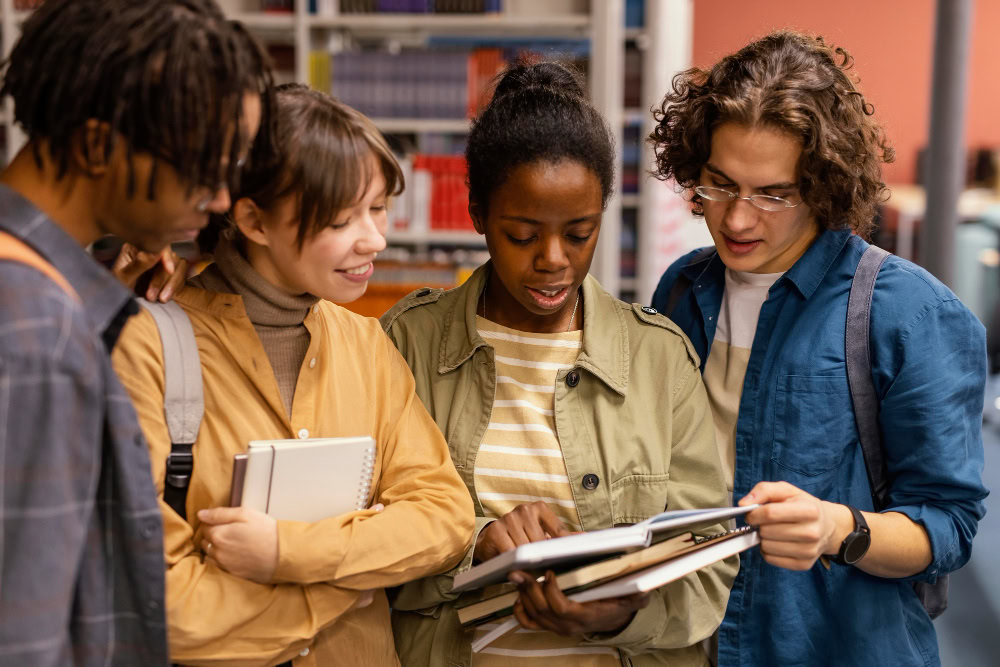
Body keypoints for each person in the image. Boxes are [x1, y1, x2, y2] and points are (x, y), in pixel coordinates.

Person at [649, 31, 989, 666]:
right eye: (719, 184)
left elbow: (948, 526)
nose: (737, 220)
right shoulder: (682, 289)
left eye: (773, 194)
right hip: (688, 644)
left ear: (823, 185)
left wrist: (840, 528)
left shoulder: (909, 315)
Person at [382, 61, 736, 667]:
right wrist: (472, 546)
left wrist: (623, 610)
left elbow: (708, 569)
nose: (553, 260)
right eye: (522, 234)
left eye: (579, 233)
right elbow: (356, 535)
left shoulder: (658, 358)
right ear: (477, 216)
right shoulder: (406, 344)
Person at [111, 83, 475, 666]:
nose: (375, 239)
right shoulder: (149, 343)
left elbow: (444, 519)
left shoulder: (367, 344)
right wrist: (347, 582)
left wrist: (286, 551)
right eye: (341, 219)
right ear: (254, 220)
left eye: (378, 208)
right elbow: (164, 604)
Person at [0, 1, 269, 664]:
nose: (219, 200)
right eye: (205, 168)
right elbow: (23, 631)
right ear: (96, 145)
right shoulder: (37, 329)